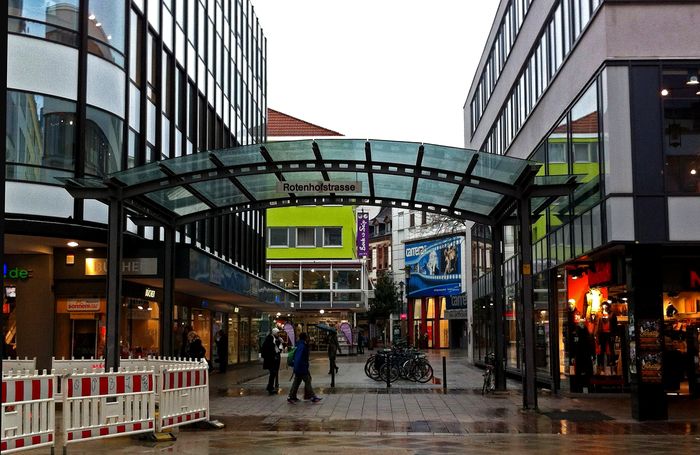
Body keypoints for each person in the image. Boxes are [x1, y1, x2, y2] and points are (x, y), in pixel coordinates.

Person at [287, 333, 321, 404]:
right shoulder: (302, 346)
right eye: (307, 337)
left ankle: (291, 396)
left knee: (296, 382)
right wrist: (297, 366)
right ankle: (312, 396)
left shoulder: (299, 344)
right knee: (307, 381)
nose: (309, 338)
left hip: (300, 367)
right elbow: (298, 357)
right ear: (305, 338)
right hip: (302, 367)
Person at [261, 328, 283, 394]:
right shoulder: (270, 339)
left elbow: (277, 349)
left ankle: (271, 387)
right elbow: (271, 348)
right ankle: (270, 387)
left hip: (273, 359)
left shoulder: (274, 339)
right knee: (273, 372)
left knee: (273, 373)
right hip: (270, 359)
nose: (278, 334)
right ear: (274, 333)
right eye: (277, 333)